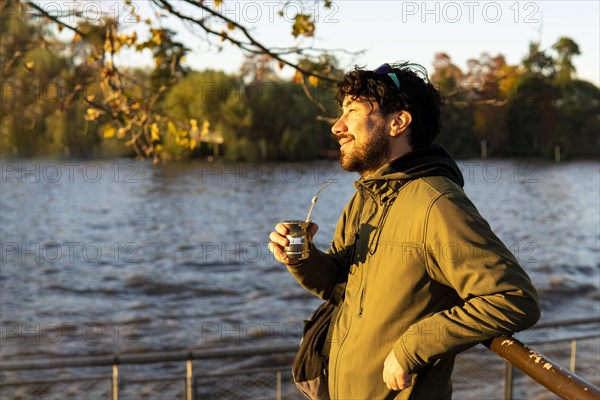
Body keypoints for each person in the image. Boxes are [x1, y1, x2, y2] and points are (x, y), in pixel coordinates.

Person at [268, 62, 540, 399]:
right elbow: (339, 286)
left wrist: (413, 346)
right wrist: (303, 259)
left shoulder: (437, 203)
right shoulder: (365, 197)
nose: (337, 127)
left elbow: (513, 299)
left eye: (352, 111)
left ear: (398, 122)